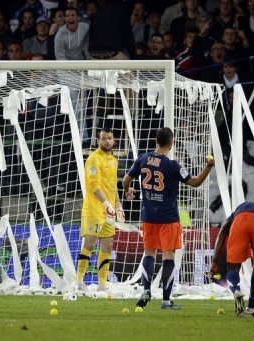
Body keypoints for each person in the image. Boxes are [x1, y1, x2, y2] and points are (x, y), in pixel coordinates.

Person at [122, 127, 214, 310]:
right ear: (171, 142)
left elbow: (125, 179)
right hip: (168, 218)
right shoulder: (173, 166)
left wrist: (128, 191)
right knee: (168, 256)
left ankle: (146, 290)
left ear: (157, 141)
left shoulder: (142, 159)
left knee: (149, 253)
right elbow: (195, 182)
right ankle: (165, 300)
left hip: (148, 216)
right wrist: (209, 167)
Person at [76, 127, 124, 292]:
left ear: (114, 140)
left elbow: (113, 187)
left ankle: (102, 284)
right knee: (89, 243)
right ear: (98, 141)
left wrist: (117, 205)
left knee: (107, 247)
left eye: (109, 138)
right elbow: (94, 186)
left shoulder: (114, 160)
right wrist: (106, 204)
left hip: (109, 211)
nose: (107, 141)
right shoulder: (93, 159)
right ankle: (79, 281)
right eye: (103, 138)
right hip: (95, 209)